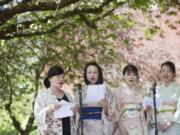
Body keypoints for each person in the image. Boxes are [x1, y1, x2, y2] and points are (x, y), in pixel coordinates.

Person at [75, 62, 117, 135]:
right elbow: (76, 110)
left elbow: (112, 111)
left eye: (95, 72)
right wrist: (77, 110)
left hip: (100, 125)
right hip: (84, 126)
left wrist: (106, 107)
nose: (92, 74)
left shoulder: (106, 90)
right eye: (89, 72)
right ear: (86, 74)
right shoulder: (80, 90)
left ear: (99, 74)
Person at [34, 66, 76, 135]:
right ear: (50, 79)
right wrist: (50, 108)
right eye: (58, 77)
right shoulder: (42, 95)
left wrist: (75, 110)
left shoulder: (68, 95)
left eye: (62, 77)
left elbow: (74, 117)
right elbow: (38, 115)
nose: (61, 79)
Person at [113, 64, 149, 135]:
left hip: (139, 123)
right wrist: (121, 127)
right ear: (124, 76)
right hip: (123, 124)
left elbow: (146, 111)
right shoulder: (117, 91)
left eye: (134, 74)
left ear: (137, 77)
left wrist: (147, 109)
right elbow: (115, 111)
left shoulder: (142, 91)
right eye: (128, 74)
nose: (131, 77)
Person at [149, 61, 180, 135]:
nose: (165, 73)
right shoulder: (156, 90)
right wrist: (156, 123)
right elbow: (152, 109)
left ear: (173, 74)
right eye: (163, 71)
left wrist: (168, 124)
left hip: (173, 123)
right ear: (160, 73)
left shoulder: (178, 89)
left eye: (168, 71)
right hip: (158, 124)